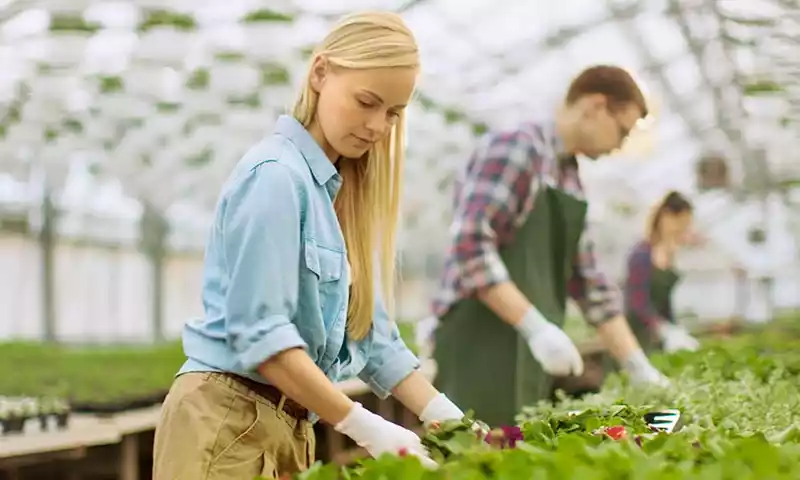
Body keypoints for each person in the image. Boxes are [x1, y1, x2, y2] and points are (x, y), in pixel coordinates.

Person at [152, 11, 466, 479]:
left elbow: (373, 336)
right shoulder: (277, 177)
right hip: (228, 419)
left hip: (285, 422)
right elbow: (264, 337)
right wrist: (364, 425)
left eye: (393, 114)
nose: (377, 125)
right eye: (366, 101)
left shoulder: (335, 196)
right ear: (321, 73)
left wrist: (450, 420)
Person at [430, 65, 671, 427]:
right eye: (621, 131)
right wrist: (535, 327)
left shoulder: (569, 177)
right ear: (594, 106)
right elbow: (470, 246)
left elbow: (589, 282)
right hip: (479, 342)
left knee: (515, 454)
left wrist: (637, 365)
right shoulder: (518, 147)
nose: (620, 145)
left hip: (526, 351)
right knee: (471, 454)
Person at [624, 191, 701, 355]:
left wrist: (675, 329)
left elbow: (665, 303)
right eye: (681, 223)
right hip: (636, 336)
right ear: (666, 217)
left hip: (659, 338)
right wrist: (661, 328)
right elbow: (637, 303)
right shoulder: (642, 254)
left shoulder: (670, 255)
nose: (683, 229)